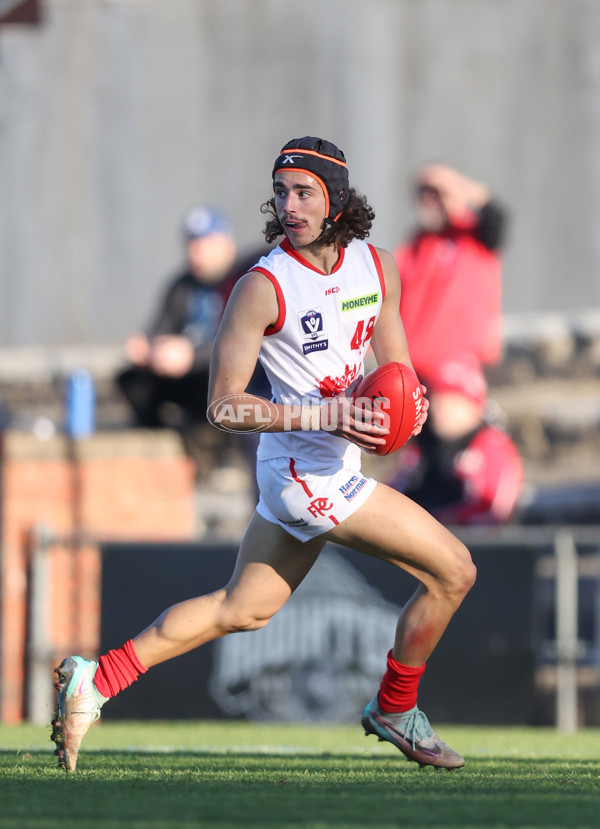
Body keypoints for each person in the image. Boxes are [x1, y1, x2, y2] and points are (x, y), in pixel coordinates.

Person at [51, 136, 476, 773]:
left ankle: (98, 679)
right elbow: (223, 405)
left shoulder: (379, 267)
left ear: (335, 197)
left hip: (330, 467)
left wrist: (404, 413)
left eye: (303, 191)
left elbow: (399, 373)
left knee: (241, 608)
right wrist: (328, 414)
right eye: (281, 192)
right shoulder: (262, 286)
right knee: (455, 571)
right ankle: (395, 706)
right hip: (302, 475)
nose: (289, 205)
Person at [388, 163, 523, 524]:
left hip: (456, 367)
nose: (429, 203)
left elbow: (496, 216)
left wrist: (455, 185)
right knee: (423, 460)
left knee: (458, 444)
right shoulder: (413, 248)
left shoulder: (472, 237)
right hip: (415, 375)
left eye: (437, 195)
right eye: (424, 195)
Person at [115, 205, 262, 476]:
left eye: (205, 245)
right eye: (192, 245)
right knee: (131, 380)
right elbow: (159, 329)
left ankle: (219, 447)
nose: (197, 253)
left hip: (226, 374)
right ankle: (175, 447)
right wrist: (146, 349)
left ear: (226, 245)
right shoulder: (181, 286)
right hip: (185, 376)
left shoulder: (244, 280)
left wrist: (192, 355)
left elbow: (244, 340)